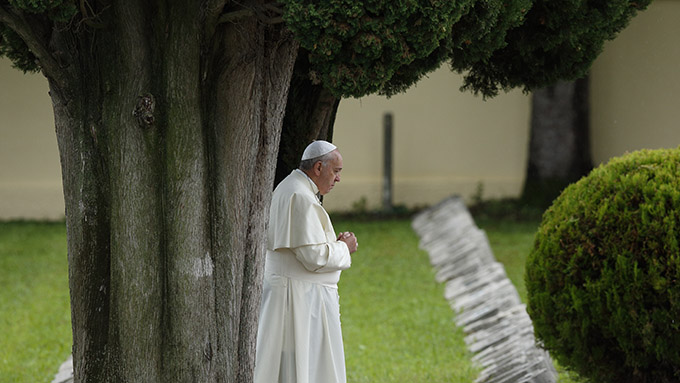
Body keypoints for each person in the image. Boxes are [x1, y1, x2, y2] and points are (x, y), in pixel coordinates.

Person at [254, 140, 358, 383]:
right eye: (336, 171)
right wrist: (344, 247)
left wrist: (334, 243)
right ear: (319, 167)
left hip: (299, 295)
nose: (338, 178)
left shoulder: (295, 189)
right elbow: (312, 257)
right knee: (300, 369)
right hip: (297, 299)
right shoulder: (298, 195)